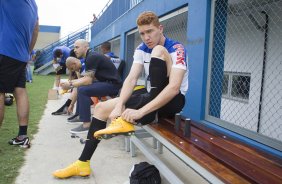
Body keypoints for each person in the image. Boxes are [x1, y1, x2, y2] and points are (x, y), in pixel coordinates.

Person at [53, 11, 188, 179]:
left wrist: (141, 111)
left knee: (159, 50)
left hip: (172, 100)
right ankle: (82, 163)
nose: (147, 37)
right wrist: (119, 105)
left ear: (160, 28)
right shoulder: (141, 48)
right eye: (142, 33)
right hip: (151, 94)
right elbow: (131, 79)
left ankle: (141, 116)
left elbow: (174, 88)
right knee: (102, 108)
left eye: (150, 31)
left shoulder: (176, 48)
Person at [60, 39, 122, 134]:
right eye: (74, 48)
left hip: (113, 85)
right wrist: (71, 83)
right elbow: (87, 79)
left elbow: (88, 81)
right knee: (81, 88)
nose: (75, 50)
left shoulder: (91, 57)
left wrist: (70, 84)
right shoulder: (89, 56)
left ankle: (86, 125)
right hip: (107, 83)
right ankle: (81, 115)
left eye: (77, 47)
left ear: (86, 47)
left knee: (83, 90)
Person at [0, 0, 39, 148]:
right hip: (21, 55)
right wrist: (27, 52)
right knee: (20, 91)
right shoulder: (33, 4)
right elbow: (36, 30)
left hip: (4, 50)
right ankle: (22, 136)